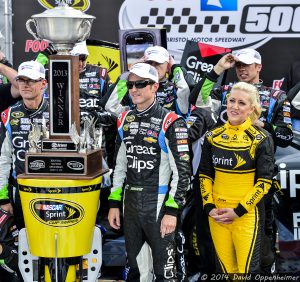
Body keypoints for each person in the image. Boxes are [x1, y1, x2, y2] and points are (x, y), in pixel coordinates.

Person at [190, 48, 293, 272]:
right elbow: (197, 99)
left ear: (259, 67)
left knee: (260, 245)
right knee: (216, 245)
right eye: (238, 65)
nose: (241, 69)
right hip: (220, 176)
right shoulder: (226, 91)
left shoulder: (276, 96)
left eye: (246, 64)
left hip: (257, 178)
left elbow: (286, 136)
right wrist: (218, 69)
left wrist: (263, 125)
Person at [107, 63, 191, 281]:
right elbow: (120, 166)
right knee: (136, 270)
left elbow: (183, 172)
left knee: (166, 272)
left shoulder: (171, 122)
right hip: (131, 202)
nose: (134, 89)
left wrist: (173, 211)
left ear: (155, 87)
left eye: (141, 84)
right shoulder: (124, 119)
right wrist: (115, 203)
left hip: (160, 203)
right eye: (131, 84)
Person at [199, 82, 275, 274]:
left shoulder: (261, 138)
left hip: (246, 216)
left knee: (247, 273)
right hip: (217, 215)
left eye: (241, 103)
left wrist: (238, 211)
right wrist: (209, 207)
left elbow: (264, 183)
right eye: (232, 101)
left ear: (252, 109)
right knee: (225, 272)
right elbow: (205, 174)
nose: (234, 106)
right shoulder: (212, 136)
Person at [0, 61, 49, 230]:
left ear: (43, 83)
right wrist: (3, 198)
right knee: (24, 241)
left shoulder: (59, 113)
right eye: (21, 80)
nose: (25, 85)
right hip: (20, 189)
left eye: (31, 80)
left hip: (52, 188)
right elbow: (3, 160)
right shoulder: (9, 115)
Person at [105, 45, 196, 119]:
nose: (153, 67)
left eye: (157, 63)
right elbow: (111, 107)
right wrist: (132, 71)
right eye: (149, 63)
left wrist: (175, 67)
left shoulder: (175, 89)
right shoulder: (135, 89)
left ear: (168, 65)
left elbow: (185, 90)